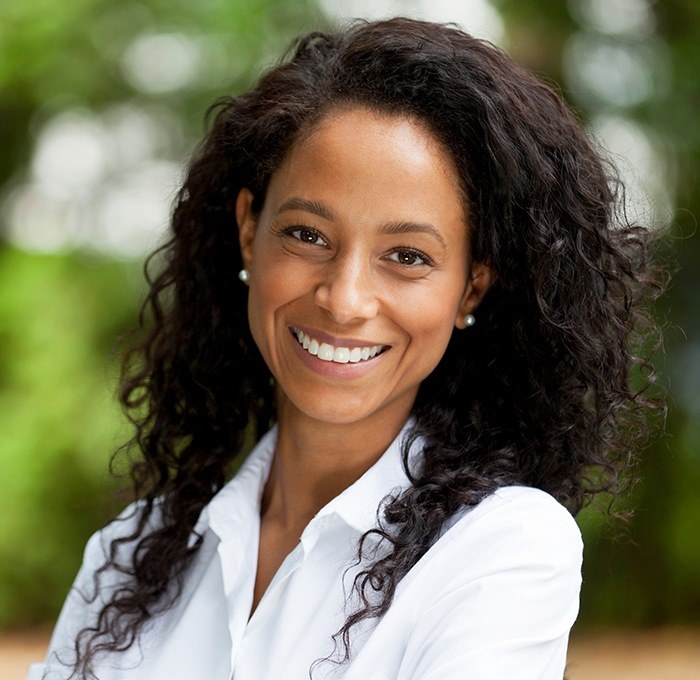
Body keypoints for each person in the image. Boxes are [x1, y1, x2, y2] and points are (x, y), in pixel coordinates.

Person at [28, 16, 663, 680]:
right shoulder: (131, 557)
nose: (344, 298)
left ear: (471, 288)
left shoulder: (502, 549)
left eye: (408, 255)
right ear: (250, 230)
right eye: (307, 235)